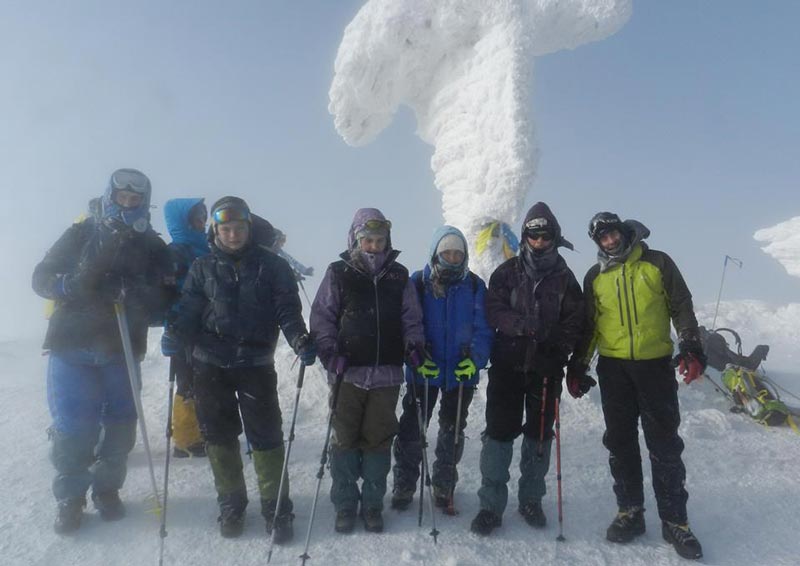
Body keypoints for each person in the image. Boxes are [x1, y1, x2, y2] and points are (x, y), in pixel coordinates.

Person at [32, 168, 174, 534]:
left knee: (120, 426)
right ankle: (71, 497)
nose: (127, 204)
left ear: (144, 202)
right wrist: (70, 285)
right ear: (109, 195)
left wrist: (135, 292)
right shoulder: (81, 234)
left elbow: (167, 296)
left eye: (135, 199)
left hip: (120, 348)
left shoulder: (152, 245)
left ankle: (107, 489)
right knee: (74, 426)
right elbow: (42, 277)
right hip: (71, 344)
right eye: (121, 197)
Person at [173, 196, 316, 541]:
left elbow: (287, 310)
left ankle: (276, 508)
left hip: (255, 363)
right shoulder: (203, 267)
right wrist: (175, 336)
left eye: (239, 228)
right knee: (219, 437)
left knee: (266, 436)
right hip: (210, 364)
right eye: (226, 229)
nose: (233, 235)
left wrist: (299, 338)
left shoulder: (272, 266)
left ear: (249, 229)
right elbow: (189, 310)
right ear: (216, 231)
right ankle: (231, 503)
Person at [567, 212, 706, 560]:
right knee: (620, 442)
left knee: (664, 443)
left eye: (613, 235)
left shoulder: (657, 262)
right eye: (603, 239)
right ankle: (630, 511)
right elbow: (591, 327)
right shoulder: (595, 277)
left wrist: (690, 346)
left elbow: (681, 305)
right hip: (614, 369)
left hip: (654, 366)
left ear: (624, 232)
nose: (610, 242)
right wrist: (579, 364)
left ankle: (676, 520)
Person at [470, 202, 584, 536]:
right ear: (525, 236)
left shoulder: (565, 278)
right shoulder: (506, 273)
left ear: (554, 237)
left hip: (546, 369)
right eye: (533, 235)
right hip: (507, 365)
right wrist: (523, 325)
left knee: (539, 436)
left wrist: (559, 350)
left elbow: (575, 321)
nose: (539, 241)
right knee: (499, 434)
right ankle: (490, 505)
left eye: (545, 235)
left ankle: (531, 499)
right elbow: (494, 310)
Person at [310, 208, 425, 534]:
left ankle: (372, 504)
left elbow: (411, 318)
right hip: (348, 375)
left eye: (379, 240)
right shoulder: (338, 272)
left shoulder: (399, 276)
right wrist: (329, 352)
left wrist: (414, 344)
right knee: (344, 438)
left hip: (387, 375)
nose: (374, 246)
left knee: (378, 440)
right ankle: (345, 504)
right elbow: (322, 318)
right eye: (367, 240)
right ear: (355, 240)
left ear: (387, 241)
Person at [391, 226, 492, 511]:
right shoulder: (418, 283)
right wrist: (415, 356)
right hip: (424, 370)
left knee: (452, 431)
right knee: (411, 429)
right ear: (436, 252)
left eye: (458, 252)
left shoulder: (473, 285)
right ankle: (404, 483)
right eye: (446, 251)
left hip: (460, 373)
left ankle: (444, 483)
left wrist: (475, 358)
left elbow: (484, 328)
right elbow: (407, 324)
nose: (452, 257)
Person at [160, 198, 210, 458]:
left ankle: (198, 430)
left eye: (203, 216)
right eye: (197, 218)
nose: (203, 222)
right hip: (183, 327)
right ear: (183, 221)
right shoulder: (176, 252)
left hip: (206, 326)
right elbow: (167, 294)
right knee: (187, 381)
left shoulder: (205, 247)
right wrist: (173, 324)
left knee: (202, 379)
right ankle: (185, 437)